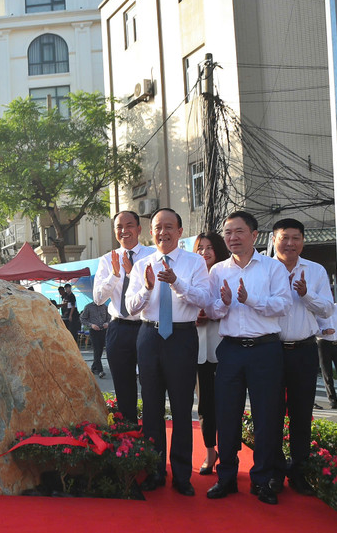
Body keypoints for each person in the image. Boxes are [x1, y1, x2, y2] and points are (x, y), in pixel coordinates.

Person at [205, 211, 292, 505]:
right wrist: (224, 303)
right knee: (226, 415)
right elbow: (212, 311)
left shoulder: (272, 268)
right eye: (228, 233)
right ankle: (226, 477)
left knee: (266, 416)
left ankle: (263, 479)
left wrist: (249, 300)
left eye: (239, 231)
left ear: (254, 235)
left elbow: (283, 305)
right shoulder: (218, 271)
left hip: (265, 350)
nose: (232, 238)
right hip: (230, 349)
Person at [126, 208, 210, 496]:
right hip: (149, 335)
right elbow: (130, 307)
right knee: (151, 408)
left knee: (182, 408)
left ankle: (182, 475)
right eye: (158, 228)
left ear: (180, 231)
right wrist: (147, 289)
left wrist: (176, 282)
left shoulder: (195, 262)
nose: (163, 232)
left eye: (169, 227)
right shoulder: (142, 265)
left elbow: (204, 299)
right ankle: (154, 470)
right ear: (151, 232)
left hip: (182, 337)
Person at [271, 218, 334, 496]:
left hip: (304, 350)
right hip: (270, 350)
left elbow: (327, 309)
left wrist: (306, 295)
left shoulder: (315, 270)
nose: (290, 243)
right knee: (270, 413)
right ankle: (274, 471)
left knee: (301, 413)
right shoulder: (265, 269)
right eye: (284, 237)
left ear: (303, 241)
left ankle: (299, 471)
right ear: (274, 239)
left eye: (295, 238)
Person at [93, 210, 155, 422]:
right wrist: (115, 274)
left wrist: (132, 272)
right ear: (114, 232)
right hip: (118, 328)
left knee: (150, 384)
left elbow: (156, 291)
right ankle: (129, 432)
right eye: (119, 227)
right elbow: (98, 298)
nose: (124, 231)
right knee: (123, 385)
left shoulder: (152, 256)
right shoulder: (107, 260)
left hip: (146, 327)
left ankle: (151, 433)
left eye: (129, 226)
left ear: (139, 229)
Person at [193, 232, 230, 476]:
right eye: (200, 248)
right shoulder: (189, 275)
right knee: (204, 404)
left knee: (226, 404)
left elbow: (236, 309)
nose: (204, 252)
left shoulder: (226, 274)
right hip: (197, 350)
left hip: (223, 348)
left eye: (209, 248)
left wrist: (213, 314)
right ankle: (209, 451)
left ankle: (228, 453)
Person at [80, 301, 109, 377]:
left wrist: (107, 323)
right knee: (96, 349)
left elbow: (109, 318)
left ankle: (94, 367)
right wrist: (91, 325)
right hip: (94, 331)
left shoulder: (105, 307)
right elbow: (82, 318)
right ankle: (100, 370)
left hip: (103, 330)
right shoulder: (88, 307)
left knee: (100, 350)